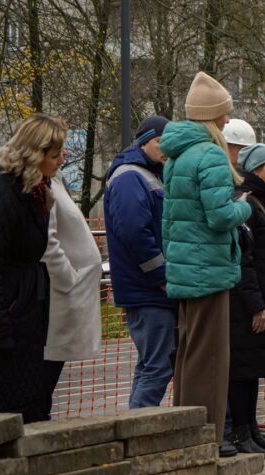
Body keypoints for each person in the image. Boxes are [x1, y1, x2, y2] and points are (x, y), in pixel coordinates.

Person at [161, 71, 252, 456]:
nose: (228, 120)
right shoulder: (211, 154)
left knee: (189, 353)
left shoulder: (177, 155)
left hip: (185, 268)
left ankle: (186, 434)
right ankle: (206, 439)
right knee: (211, 358)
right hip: (209, 270)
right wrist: (245, 206)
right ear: (212, 116)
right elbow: (219, 216)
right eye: (224, 114)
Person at [0, 114, 66, 423]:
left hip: (28, 312)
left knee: (32, 401)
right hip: (11, 317)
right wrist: (0, 330)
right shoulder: (4, 195)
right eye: (55, 155)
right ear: (35, 155)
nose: (62, 160)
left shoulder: (35, 192)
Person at [104, 115, 176, 409]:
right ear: (144, 142)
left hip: (147, 289)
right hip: (147, 291)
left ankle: (135, 425)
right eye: (160, 141)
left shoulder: (148, 173)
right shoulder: (130, 176)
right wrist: (161, 276)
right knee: (158, 366)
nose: (166, 148)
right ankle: (140, 425)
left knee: (151, 365)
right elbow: (135, 232)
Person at [226, 143, 265, 457]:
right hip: (247, 304)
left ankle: (251, 428)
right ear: (255, 169)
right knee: (242, 370)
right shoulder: (246, 203)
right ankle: (240, 431)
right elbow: (244, 259)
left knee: (253, 370)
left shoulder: (263, 201)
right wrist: (256, 305)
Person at [41, 167, 103, 418]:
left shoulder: (53, 181)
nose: (63, 156)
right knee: (40, 384)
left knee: (45, 385)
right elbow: (48, 241)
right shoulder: (41, 185)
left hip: (65, 295)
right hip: (56, 296)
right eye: (55, 153)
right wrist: (68, 279)